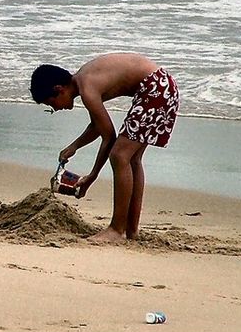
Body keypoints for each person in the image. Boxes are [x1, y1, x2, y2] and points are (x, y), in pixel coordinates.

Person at [29, 53, 179, 243]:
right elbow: (97, 126)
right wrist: (74, 146)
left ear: (59, 89)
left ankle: (116, 230)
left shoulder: (87, 88)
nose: (55, 109)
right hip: (163, 86)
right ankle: (131, 232)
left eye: (51, 104)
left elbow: (109, 137)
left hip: (156, 89)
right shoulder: (84, 81)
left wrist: (92, 175)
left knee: (119, 156)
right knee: (132, 159)